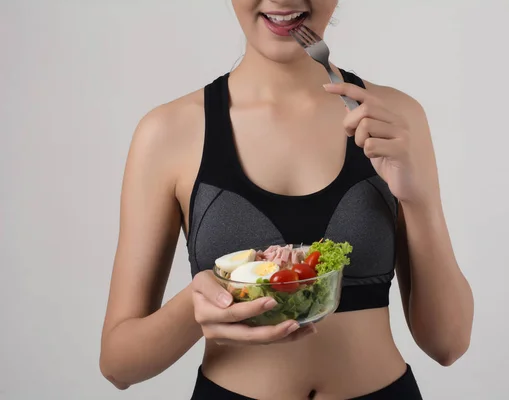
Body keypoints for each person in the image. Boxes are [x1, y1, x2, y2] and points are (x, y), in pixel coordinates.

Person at [99, 1, 474, 398]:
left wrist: (419, 199)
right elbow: (119, 365)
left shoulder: (393, 118)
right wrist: (194, 309)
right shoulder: (168, 132)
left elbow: (448, 345)